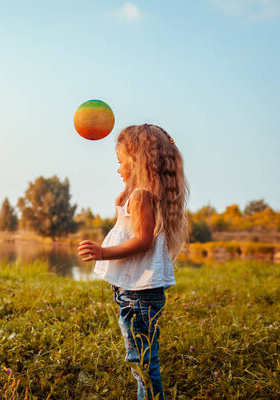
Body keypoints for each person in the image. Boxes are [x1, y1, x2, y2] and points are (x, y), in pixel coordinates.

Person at [78, 124, 188, 400]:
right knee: (141, 357)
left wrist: (103, 252)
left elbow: (143, 240)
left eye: (120, 162)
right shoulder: (141, 193)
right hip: (136, 293)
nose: (117, 169)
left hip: (139, 295)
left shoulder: (141, 197)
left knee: (141, 360)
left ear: (138, 162)